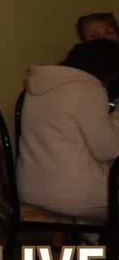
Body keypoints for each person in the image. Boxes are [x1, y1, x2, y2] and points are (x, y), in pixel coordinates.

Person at [17, 39, 119, 222]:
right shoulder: (89, 89)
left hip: (29, 188)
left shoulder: (39, 85)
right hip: (73, 196)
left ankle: (88, 235)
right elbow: (108, 151)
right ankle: (94, 236)